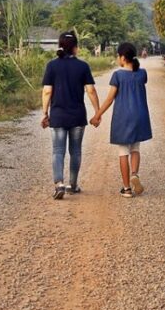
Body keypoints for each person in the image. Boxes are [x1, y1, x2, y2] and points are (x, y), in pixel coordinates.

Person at [42, 32, 100, 200]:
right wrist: (97, 112)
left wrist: (45, 113)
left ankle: (59, 184)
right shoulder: (83, 66)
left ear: (60, 46)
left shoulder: (52, 66)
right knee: (75, 151)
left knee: (57, 151)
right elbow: (91, 90)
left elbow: (47, 91)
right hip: (77, 116)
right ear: (75, 47)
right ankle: (72, 185)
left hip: (58, 116)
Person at [90, 42, 152, 198]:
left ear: (123, 57)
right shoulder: (142, 73)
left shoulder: (117, 75)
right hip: (140, 116)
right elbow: (138, 79)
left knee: (123, 151)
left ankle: (126, 188)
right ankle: (135, 174)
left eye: (118, 56)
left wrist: (98, 114)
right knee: (135, 148)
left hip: (123, 117)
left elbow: (110, 98)